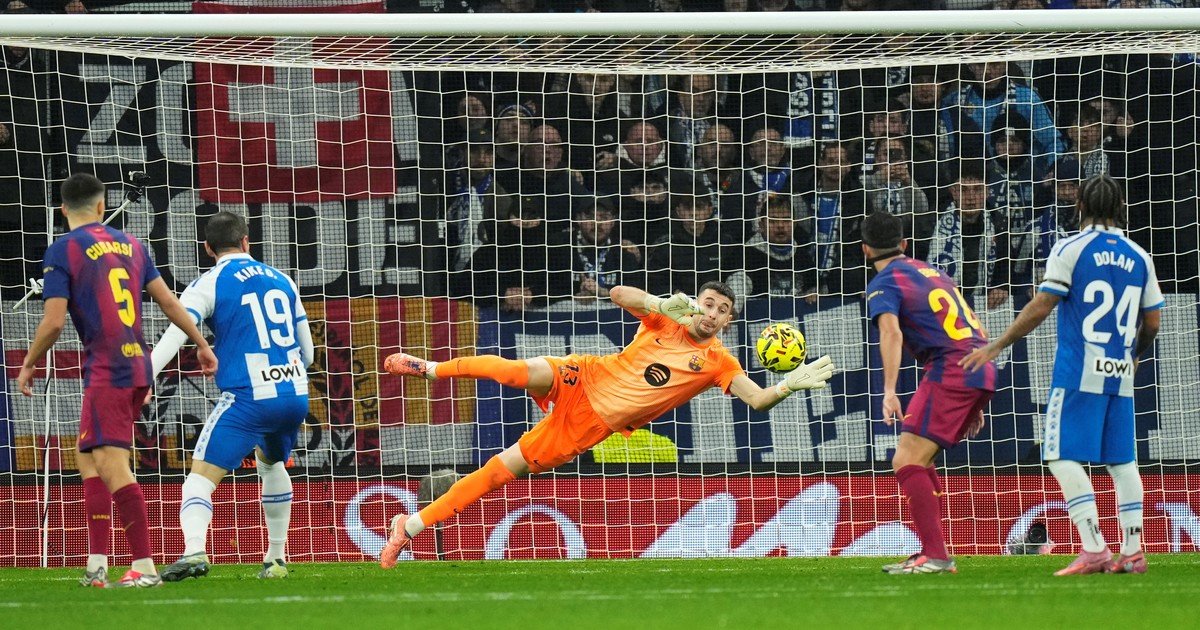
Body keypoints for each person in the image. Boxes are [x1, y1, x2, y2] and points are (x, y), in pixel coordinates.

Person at [377, 281, 835, 568]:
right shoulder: (665, 315)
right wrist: (660, 301)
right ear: (696, 303)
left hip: (588, 426)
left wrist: (789, 385)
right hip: (586, 374)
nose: (711, 313)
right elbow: (618, 295)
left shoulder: (719, 363)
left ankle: (408, 526)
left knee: (496, 473)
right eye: (707, 303)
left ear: (728, 323)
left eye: (721, 311)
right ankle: (434, 369)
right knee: (515, 371)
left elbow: (756, 399)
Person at [17, 173, 217, 588]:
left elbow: (53, 322)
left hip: (109, 369)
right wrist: (200, 342)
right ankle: (96, 565)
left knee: (111, 463)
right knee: (88, 456)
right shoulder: (131, 245)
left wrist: (29, 362)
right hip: (135, 365)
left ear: (61, 210)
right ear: (103, 207)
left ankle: (144, 567)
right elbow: (167, 300)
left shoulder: (63, 249)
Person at [961, 174, 1162, 576]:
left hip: (1078, 371)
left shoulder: (1070, 248)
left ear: (1080, 207)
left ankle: (1094, 548)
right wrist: (1134, 353)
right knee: (1123, 463)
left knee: (1058, 454)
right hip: (1120, 371)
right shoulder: (1139, 255)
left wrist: (997, 345)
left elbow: (1042, 304)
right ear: (1121, 209)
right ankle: (1133, 550)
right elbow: (1153, 321)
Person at [149, 211, 314, 581]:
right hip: (294, 393)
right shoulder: (283, 280)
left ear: (208, 248)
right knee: (272, 464)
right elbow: (310, 353)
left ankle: (193, 552)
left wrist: (144, 378)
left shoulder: (209, 283)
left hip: (248, 396)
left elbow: (175, 336)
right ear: (246, 242)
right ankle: (276, 560)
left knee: (200, 478)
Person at [861, 211, 997, 575]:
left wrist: (889, 391)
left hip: (951, 369)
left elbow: (891, 333)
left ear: (864, 250)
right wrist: (974, 394)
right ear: (905, 244)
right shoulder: (935, 273)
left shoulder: (884, 282)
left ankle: (936, 555)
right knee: (920, 459)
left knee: (905, 461)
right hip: (976, 366)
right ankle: (930, 550)